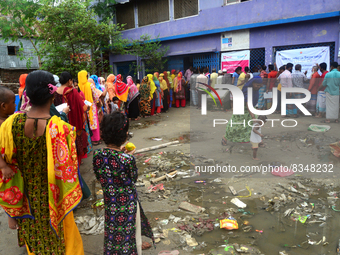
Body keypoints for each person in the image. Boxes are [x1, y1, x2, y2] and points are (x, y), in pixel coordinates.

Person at [0, 70, 84, 255]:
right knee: (61, 243)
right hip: (54, 201)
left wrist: (11, 211)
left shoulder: (10, 125)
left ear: (26, 94)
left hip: (26, 202)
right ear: (53, 94)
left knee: (36, 245)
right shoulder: (60, 128)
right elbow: (70, 170)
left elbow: (4, 163)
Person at [93, 112, 154, 255]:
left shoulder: (97, 156)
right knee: (130, 237)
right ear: (124, 135)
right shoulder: (127, 159)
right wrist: (127, 156)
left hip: (111, 203)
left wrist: (120, 154)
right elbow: (132, 179)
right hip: (128, 205)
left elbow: (99, 175)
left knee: (112, 234)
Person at [221, 77, 263, 145]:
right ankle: (225, 137)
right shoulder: (247, 90)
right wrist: (253, 117)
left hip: (250, 110)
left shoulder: (255, 90)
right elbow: (248, 104)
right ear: (253, 83)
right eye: (257, 85)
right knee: (235, 126)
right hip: (241, 110)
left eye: (260, 85)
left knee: (253, 126)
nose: (258, 87)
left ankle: (258, 140)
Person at [59, 71, 89, 163]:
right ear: (69, 81)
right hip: (75, 123)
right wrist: (87, 107)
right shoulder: (73, 91)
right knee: (76, 146)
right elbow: (82, 107)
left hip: (62, 122)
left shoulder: (57, 91)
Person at [78, 70, 102, 145]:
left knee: (86, 123)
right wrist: (98, 103)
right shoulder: (90, 85)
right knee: (94, 122)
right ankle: (96, 139)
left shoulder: (78, 86)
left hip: (82, 107)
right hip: (91, 106)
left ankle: (89, 140)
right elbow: (95, 96)